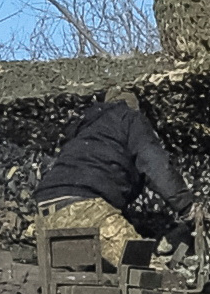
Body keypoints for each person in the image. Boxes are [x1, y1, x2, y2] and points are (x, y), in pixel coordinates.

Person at [32, 88, 200, 267]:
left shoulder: (87, 129)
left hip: (45, 218)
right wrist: (187, 207)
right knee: (153, 278)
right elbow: (155, 165)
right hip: (85, 209)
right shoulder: (129, 118)